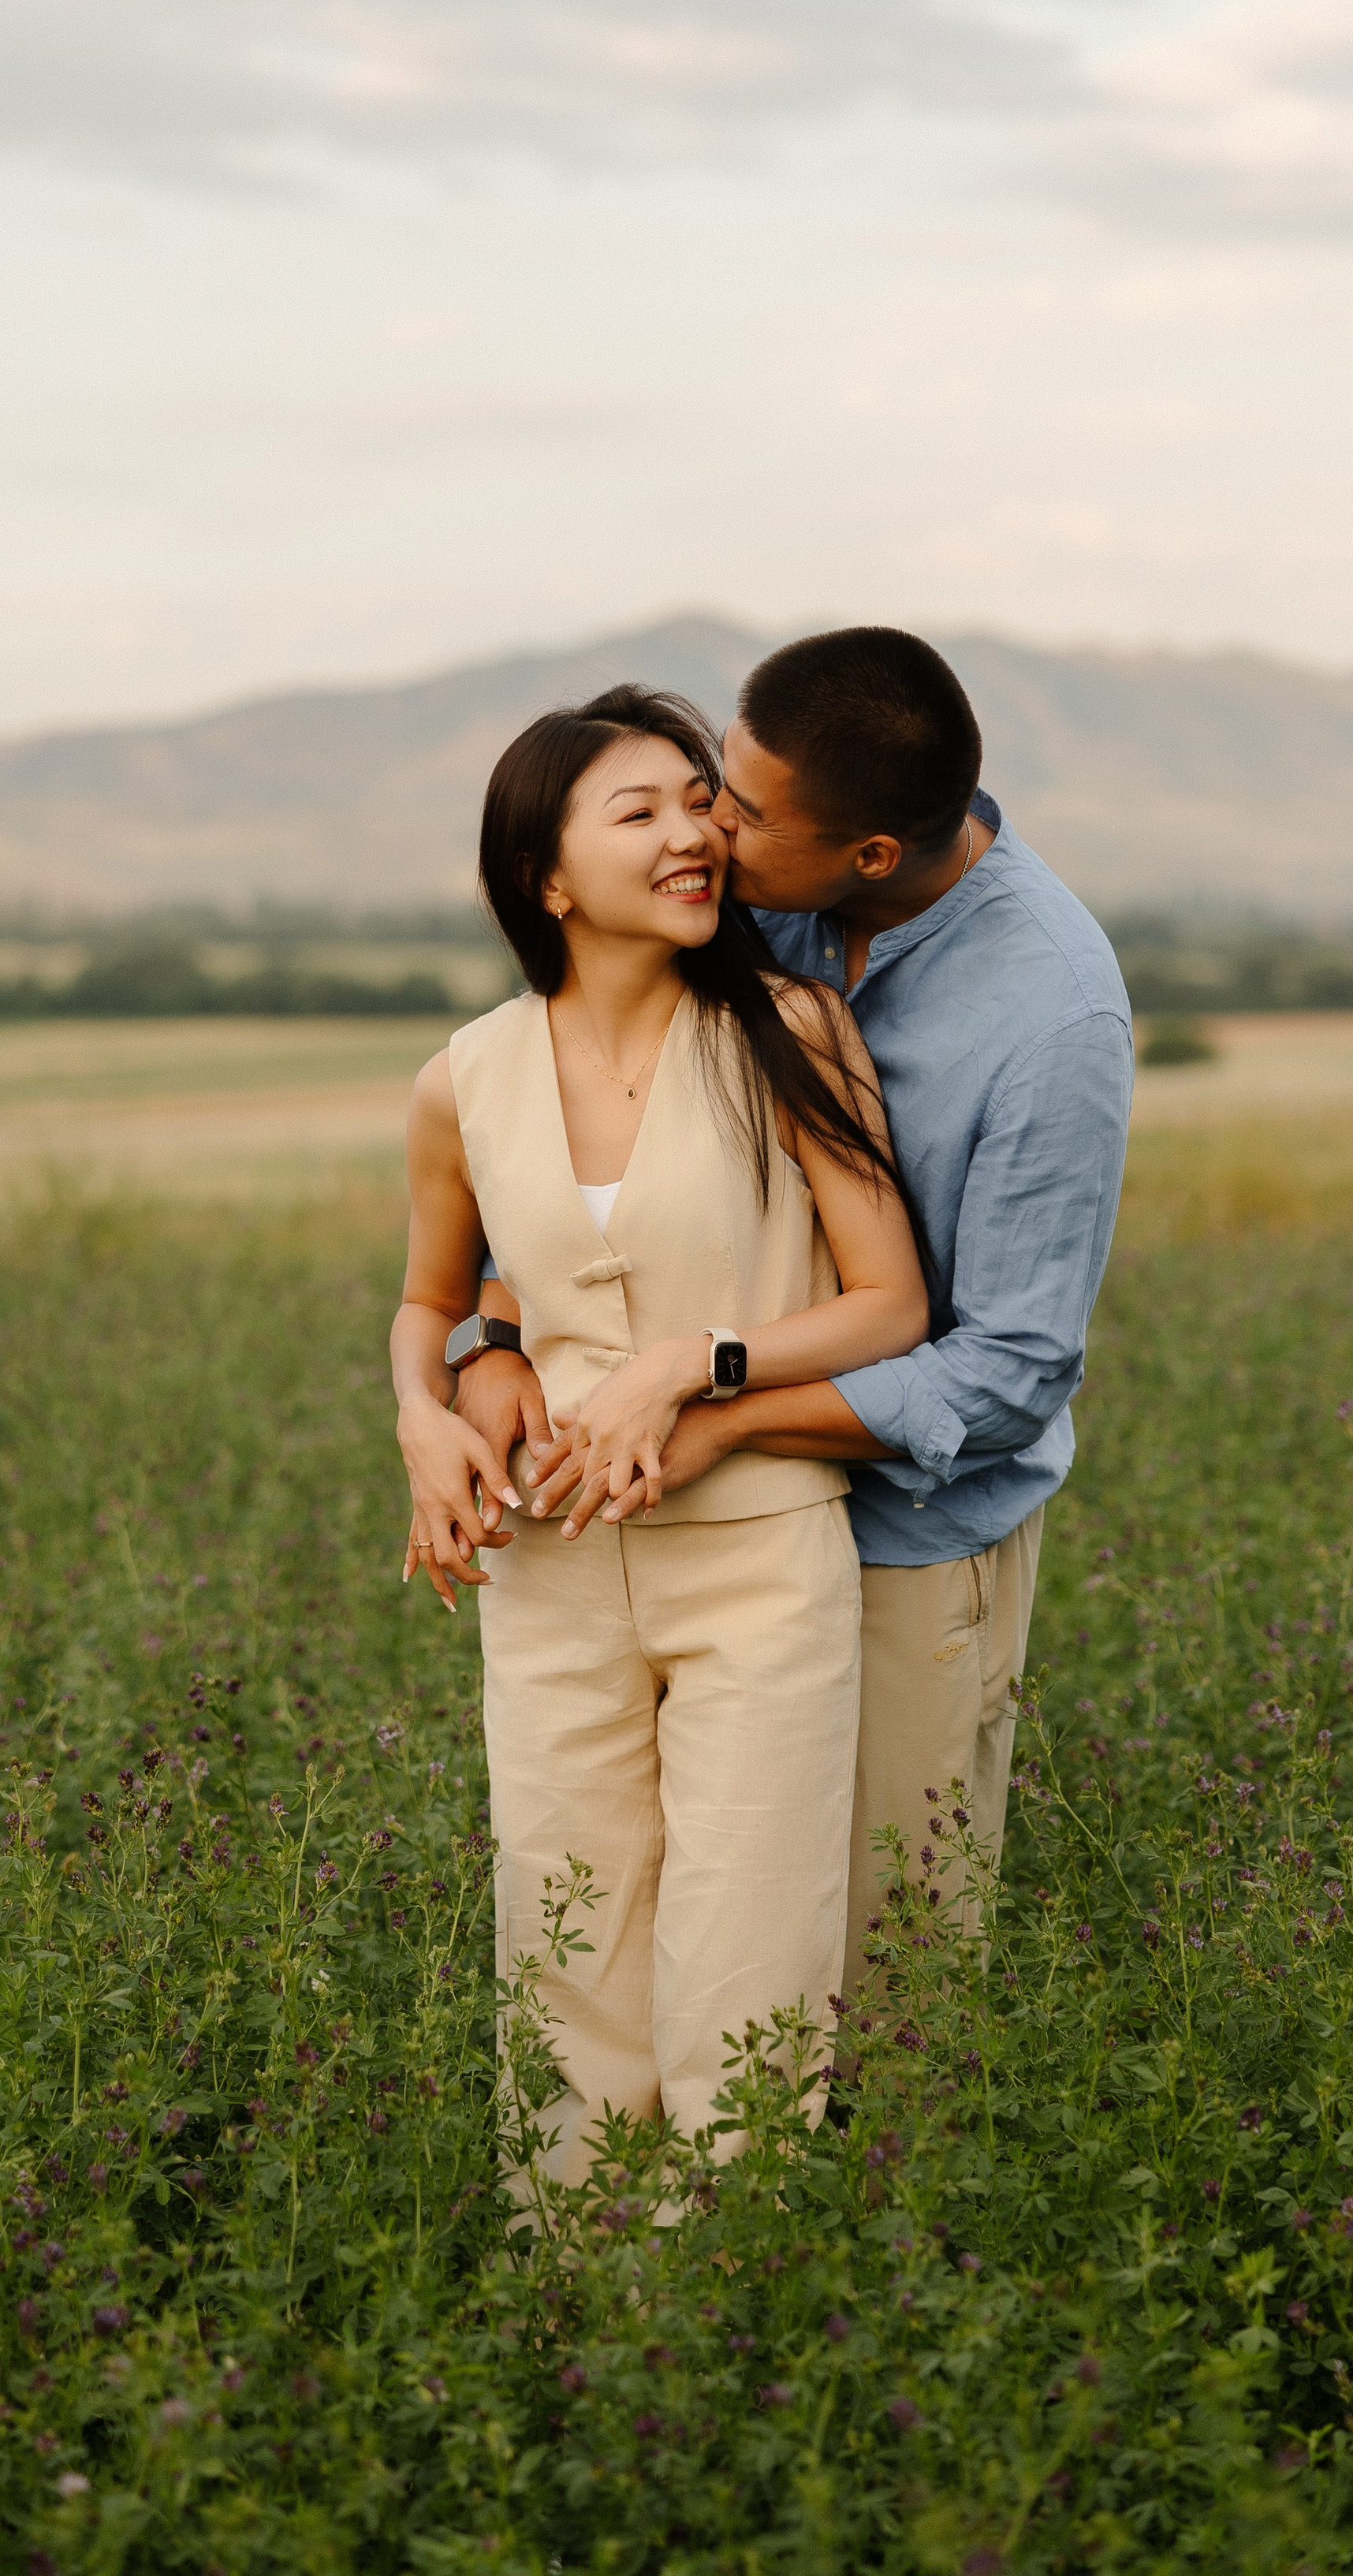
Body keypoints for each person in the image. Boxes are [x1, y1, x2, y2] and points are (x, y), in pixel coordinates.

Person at [463, 630, 1132, 1999]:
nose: (709, 826)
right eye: (717, 781)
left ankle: (865, 2218)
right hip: (665, 1529)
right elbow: (550, 1139)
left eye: (745, 812)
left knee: (884, 1973)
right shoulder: (746, 896)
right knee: (655, 1948)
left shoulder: (1052, 1017)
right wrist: (490, 1346)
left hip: (905, 1541)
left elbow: (1008, 1371)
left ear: (869, 855)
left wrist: (719, 1411)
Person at [390, 684, 929, 2185]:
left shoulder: (793, 1030)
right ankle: (580, 2317)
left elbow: (890, 1307)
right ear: (547, 876)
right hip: (549, 1573)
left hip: (762, 1564)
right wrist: (424, 1417)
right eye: (643, 812)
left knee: (749, 1957)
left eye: (701, 802)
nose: (695, 833)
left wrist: (698, 1361)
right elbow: (430, 1302)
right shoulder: (462, 1080)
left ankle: (730, 2306)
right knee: (565, 1950)